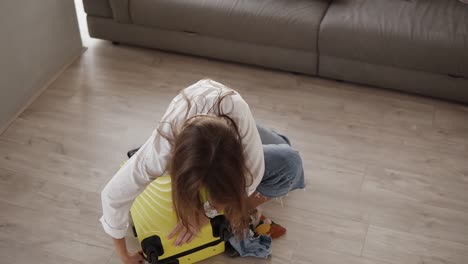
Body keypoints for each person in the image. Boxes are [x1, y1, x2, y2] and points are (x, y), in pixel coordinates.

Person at [100, 79, 305, 264]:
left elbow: (246, 185)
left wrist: (208, 214)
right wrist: (124, 256)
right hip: (204, 108)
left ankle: (273, 144)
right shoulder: (159, 153)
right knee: (283, 154)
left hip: (233, 113)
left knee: (288, 157)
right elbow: (112, 196)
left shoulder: (248, 156)